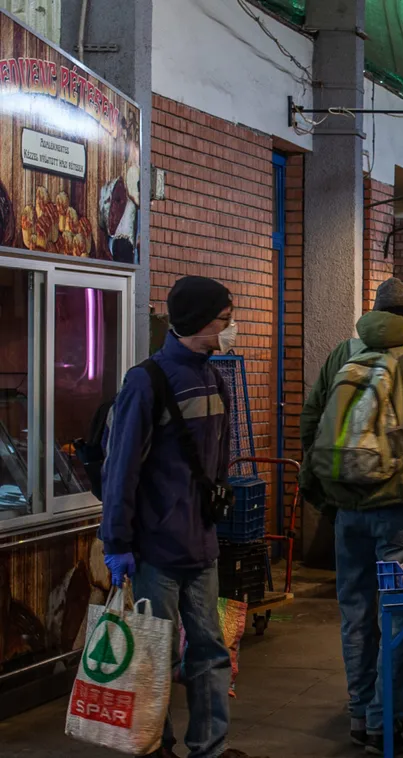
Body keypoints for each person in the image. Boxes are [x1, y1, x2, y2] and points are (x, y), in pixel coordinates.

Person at [99, 276, 260, 758]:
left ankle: (209, 746)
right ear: (195, 323)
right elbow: (121, 468)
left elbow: (219, 461)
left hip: (202, 544)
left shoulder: (213, 376)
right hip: (156, 549)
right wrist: (117, 543)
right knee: (155, 652)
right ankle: (155, 744)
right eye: (224, 321)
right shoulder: (146, 381)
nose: (230, 329)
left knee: (210, 650)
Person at [299, 277, 403, 754]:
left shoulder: (342, 353)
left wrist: (329, 492)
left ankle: (359, 716)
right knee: (399, 617)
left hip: (347, 511)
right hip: (399, 511)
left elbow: (310, 423)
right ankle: (385, 721)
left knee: (354, 616)